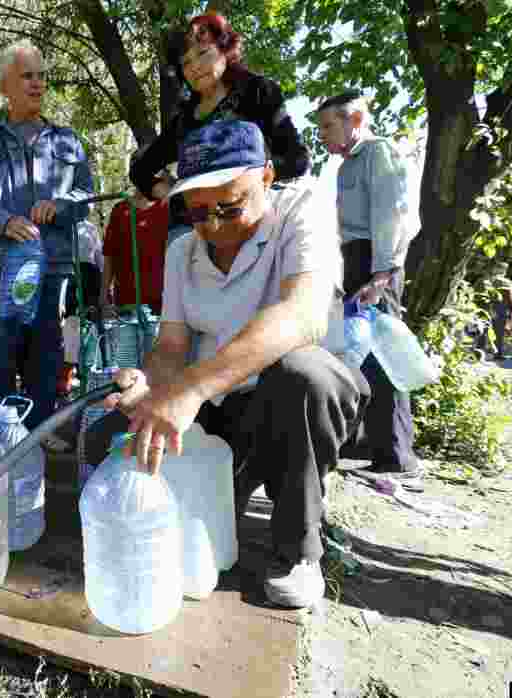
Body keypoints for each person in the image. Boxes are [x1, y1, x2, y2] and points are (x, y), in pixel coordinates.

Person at [91, 120, 365, 608]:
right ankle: (228, 494)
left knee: (302, 375)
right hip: (221, 412)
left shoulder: (305, 212)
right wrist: (151, 384)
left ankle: (298, 549)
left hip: (290, 404)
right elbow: (172, 346)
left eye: (229, 207)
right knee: (108, 444)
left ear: (265, 176)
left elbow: (301, 315)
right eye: (198, 212)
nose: (214, 226)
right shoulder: (183, 253)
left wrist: (188, 391)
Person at [0, 40, 94, 431]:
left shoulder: (66, 140)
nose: (37, 84)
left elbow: (86, 193)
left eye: (41, 76)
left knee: (46, 357)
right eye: (27, 76)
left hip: (52, 267)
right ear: (4, 86)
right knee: (2, 357)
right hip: (1, 265)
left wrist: (62, 204)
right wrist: (2, 221)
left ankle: (40, 437)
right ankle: (3, 440)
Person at [130, 11, 310, 244]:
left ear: (225, 49)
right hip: (192, 230)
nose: (195, 67)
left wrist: (244, 182)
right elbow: (140, 171)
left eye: (203, 53)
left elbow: (298, 160)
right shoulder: (183, 121)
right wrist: (171, 194)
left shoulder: (257, 92)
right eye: (186, 62)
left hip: (251, 222)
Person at [317, 91, 422, 480]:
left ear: (356, 119)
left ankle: (397, 457)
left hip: (378, 263)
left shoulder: (380, 153)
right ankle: (368, 445)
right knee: (356, 352)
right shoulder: (346, 167)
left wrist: (381, 275)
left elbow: (391, 217)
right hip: (356, 262)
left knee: (382, 356)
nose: (323, 135)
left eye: (329, 125)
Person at [101, 183, 170, 316]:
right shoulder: (119, 210)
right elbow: (109, 256)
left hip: (162, 303)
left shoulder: (166, 207)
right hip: (125, 303)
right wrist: (103, 298)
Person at [481, 262, 512, 360]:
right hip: (501, 308)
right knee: (499, 332)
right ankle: (498, 353)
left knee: (483, 330)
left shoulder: (485, 280)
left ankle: (479, 352)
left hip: (485, 308)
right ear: (504, 271)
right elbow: (511, 299)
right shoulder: (507, 282)